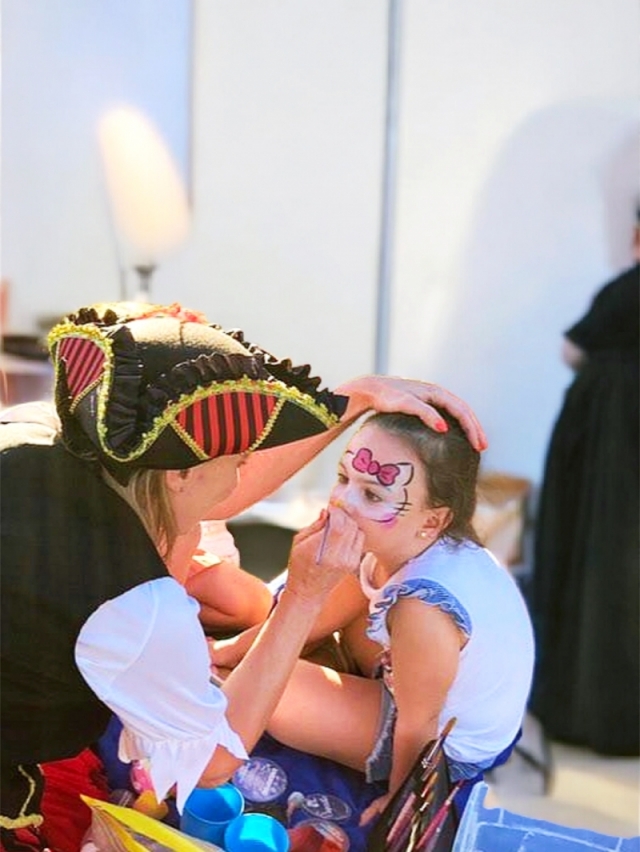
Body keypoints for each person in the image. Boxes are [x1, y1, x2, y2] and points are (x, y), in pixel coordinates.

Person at [0, 300, 486, 852]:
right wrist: (302, 596)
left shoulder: (49, 431)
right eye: (237, 461)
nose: (241, 479)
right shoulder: (131, 599)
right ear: (182, 473)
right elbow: (212, 762)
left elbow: (208, 499)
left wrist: (356, 398)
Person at [214, 409, 535, 824]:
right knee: (284, 643)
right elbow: (315, 616)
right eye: (344, 478)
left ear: (433, 519)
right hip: (415, 683)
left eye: (372, 495)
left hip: (444, 745)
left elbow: (419, 727)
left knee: (272, 689)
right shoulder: (393, 543)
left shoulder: (422, 609)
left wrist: (400, 805)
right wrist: (224, 650)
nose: (343, 501)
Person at [528, 212, 640, 756]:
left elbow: (573, 350)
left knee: (599, 568)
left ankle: (590, 712)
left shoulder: (628, 289)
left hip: (608, 451)